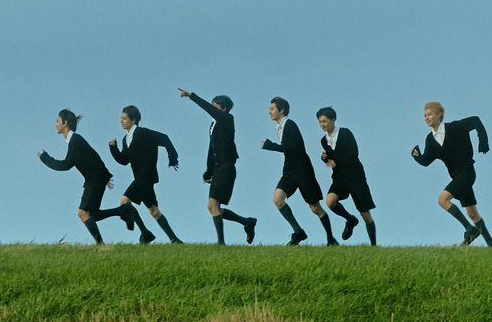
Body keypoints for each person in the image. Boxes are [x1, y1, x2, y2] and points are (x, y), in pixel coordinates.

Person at [38, 109, 130, 244]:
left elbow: (65, 165)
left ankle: (101, 246)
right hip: (95, 178)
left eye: (57, 121)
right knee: (93, 215)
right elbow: (93, 156)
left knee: (82, 213)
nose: (55, 124)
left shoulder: (75, 140)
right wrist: (104, 175)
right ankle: (122, 211)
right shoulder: (74, 141)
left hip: (94, 179)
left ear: (65, 123)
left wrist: (44, 158)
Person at [411, 101, 492, 246]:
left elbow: (475, 120)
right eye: (425, 115)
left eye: (430, 114)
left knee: (442, 200)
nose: (426, 118)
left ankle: (470, 229)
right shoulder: (430, 140)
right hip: (457, 177)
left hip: (467, 172)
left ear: (439, 115)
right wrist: (417, 156)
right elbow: (426, 160)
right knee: (472, 213)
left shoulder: (456, 127)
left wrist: (483, 143)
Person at [178, 88, 256, 244]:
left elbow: (209, 110)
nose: (213, 110)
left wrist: (193, 96)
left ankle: (221, 242)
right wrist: (208, 172)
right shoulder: (214, 125)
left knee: (212, 205)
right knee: (214, 207)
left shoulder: (227, 119)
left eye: (216, 107)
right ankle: (247, 222)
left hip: (226, 167)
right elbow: (211, 149)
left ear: (224, 109)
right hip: (218, 168)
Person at [261, 97, 337, 246]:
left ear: (281, 110)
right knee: (277, 199)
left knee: (315, 208)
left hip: (302, 170)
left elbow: (295, 148)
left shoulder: (290, 125)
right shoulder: (280, 127)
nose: (269, 112)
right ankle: (298, 232)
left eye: (272, 109)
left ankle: (330, 239)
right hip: (289, 170)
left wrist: (272, 146)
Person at [108, 104, 184, 244]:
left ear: (133, 119)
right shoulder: (126, 139)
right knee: (154, 211)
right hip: (140, 178)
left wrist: (173, 158)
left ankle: (145, 233)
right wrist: (113, 149)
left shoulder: (143, 133)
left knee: (124, 201)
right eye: (121, 118)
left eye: (124, 119)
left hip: (146, 176)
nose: (121, 121)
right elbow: (124, 160)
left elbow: (165, 138)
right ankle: (174, 239)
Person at [315, 107, 377, 245]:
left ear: (333, 120)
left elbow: (353, 153)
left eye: (324, 121)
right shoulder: (324, 140)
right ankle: (350, 220)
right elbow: (331, 159)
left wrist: (335, 161)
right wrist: (324, 158)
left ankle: (374, 246)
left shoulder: (345, 133)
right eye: (319, 122)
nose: (322, 124)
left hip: (356, 177)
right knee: (330, 201)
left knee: (365, 215)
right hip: (340, 178)